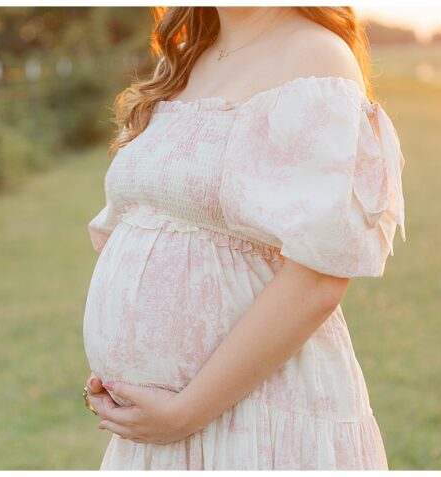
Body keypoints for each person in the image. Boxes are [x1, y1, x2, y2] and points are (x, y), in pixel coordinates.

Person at [81, 7, 405, 469]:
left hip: (258, 417)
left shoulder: (314, 56)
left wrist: (184, 411)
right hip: (159, 431)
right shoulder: (185, 58)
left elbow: (319, 276)